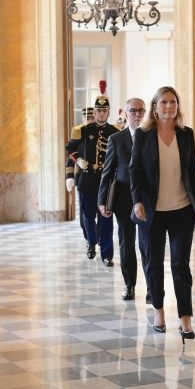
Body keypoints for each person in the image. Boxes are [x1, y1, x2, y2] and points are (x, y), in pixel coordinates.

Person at [130, 86, 195, 344]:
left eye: (173, 102)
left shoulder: (186, 135)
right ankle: (159, 312)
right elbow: (135, 171)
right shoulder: (143, 135)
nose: (169, 107)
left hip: (182, 209)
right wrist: (137, 201)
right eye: (164, 102)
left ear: (177, 106)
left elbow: (193, 172)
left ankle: (185, 318)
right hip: (152, 212)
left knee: (180, 265)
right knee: (153, 264)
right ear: (155, 106)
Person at [98, 98, 149, 302]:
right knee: (126, 243)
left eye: (141, 111)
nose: (137, 115)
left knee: (147, 244)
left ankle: (151, 288)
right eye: (133, 111)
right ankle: (129, 285)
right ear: (126, 114)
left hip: (147, 198)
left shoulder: (152, 136)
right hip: (124, 198)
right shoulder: (116, 139)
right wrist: (103, 199)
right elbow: (108, 171)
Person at [66, 81, 119, 266]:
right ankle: (91, 242)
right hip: (87, 178)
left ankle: (106, 254)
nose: (102, 114)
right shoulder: (83, 130)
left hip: (106, 181)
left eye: (105, 111)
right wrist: (78, 161)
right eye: (99, 111)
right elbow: (69, 149)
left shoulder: (116, 131)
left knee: (106, 217)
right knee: (88, 215)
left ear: (108, 112)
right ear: (94, 112)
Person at [66, 107, 95, 245]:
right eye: (87, 118)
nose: (89, 121)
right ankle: (89, 237)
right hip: (83, 178)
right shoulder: (78, 135)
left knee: (102, 213)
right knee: (85, 212)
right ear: (83, 119)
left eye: (92, 118)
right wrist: (69, 176)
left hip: (100, 179)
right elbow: (70, 157)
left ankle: (98, 237)